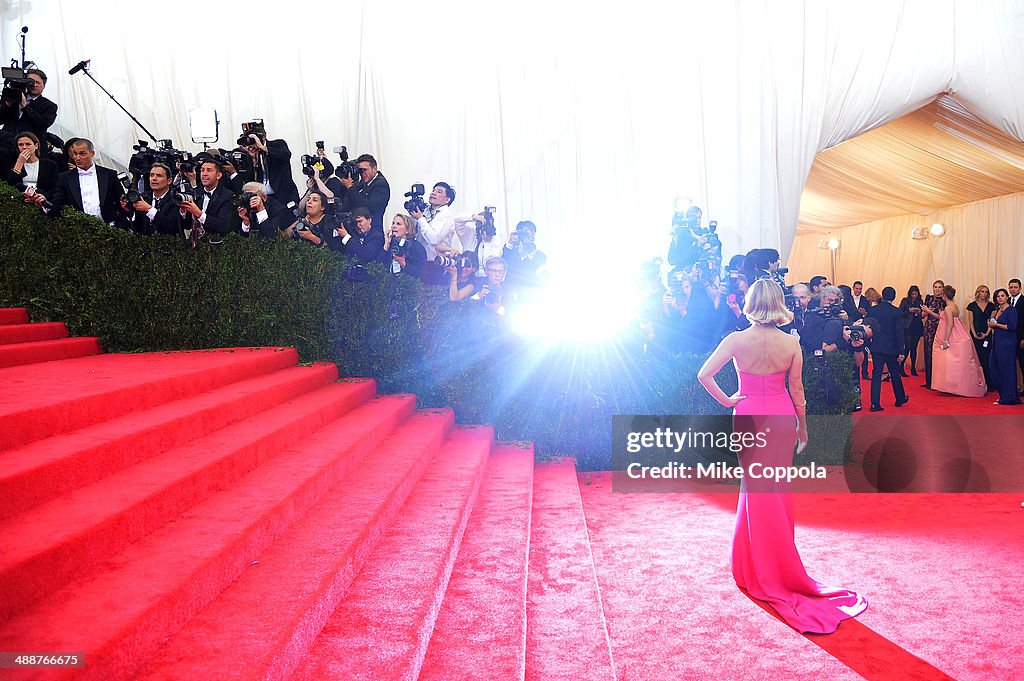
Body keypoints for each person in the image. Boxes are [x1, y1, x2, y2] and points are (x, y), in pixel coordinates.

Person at [697, 278, 866, 634]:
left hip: (746, 415)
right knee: (774, 491)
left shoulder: (736, 340)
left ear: (750, 302)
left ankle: (752, 568)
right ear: (779, 303)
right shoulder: (791, 342)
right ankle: (770, 567)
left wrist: (729, 400)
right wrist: (803, 428)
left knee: (753, 489)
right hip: (781, 417)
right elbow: (797, 389)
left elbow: (704, 374)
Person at [28, 138, 127, 227]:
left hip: (109, 229)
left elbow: (121, 202)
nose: (77, 158)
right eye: (75, 153)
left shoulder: (109, 174)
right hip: (78, 231)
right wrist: (45, 204)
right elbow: (57, 204)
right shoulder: (65, 178)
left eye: (82, 154)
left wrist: (120, 224)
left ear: (92, 153)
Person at [931, 285, 986, 398]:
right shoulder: (954, 306)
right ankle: (954, 386)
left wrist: (945, 340)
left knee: (948, 361)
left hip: (952, 335)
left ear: (944, 296)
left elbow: (950, 324)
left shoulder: (948, 308)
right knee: (956, 362)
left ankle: (952, 386)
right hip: (960, 333)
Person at [863, 287, 909, 411]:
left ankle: (874, 404)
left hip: (877, 346)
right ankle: (900, 398)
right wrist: (901, 350)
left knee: (876, 374)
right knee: (895, 373)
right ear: (894, 297)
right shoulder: (896, 312)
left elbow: (868, 327)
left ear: (882, 295)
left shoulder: (873, 310)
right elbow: (899, 332)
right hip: (892, 348)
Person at [239, 124, 299, 207]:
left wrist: (263, 147)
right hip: (265, 198)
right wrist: (254, 162)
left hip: (283, 195)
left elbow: (285, 156)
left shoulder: (278, 144)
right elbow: (249, 179)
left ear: (264, 136)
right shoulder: (251, 154)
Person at [180, 157, 239, 236]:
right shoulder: (195, 192)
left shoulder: (228, 196)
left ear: (218, 175)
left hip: (216, 243)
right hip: (194, 243)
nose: (204, 174)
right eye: (202, 170)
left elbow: (224, 226)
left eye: (209, 170)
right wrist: (183, 212)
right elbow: (187, 225)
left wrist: (199, 214)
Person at [122, 163, 182, 236]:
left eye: (159, 176)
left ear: (169, 181)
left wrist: (149, 209)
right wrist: (130, 212)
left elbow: (173, 226)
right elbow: (136, 228)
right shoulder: (143, 198)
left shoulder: (176, 199)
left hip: (170, 244)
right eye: (151, 175)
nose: (154, 178)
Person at [0, 69, 58, 141]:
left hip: (30, 146)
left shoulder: (50, 106)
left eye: (38, 82)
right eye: (31, 82)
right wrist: (7, 106)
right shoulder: (13, 98)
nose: (34, 85)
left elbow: (43, 124)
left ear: (43, 85)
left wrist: (25, 107)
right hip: (7, 144)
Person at [987, 288, 1021, 405]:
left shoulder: (1011, 310)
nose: (1000, 298)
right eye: (998, 296)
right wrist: (992, 325)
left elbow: (1012, 327)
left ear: (1007, 297)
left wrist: (996, 324)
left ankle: (1009, 398)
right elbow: (995, 325)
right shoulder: (997, 310)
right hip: (997, 342)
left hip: (1007, 343)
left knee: (1007, 370)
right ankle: (1005, 395)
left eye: (1002, 296)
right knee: (994, 368)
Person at [5, 131, 58, 196]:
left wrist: (42, 196)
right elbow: (10, 184)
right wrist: (19, 163)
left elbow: (55, 188)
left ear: (36, 146)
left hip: (42, 199)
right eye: (20, 145)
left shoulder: (50, 164)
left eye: (28, 144)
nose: (24, 147)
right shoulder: (13, 163)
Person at [966, 285, 997, 392]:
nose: (984, 293)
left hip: (987, 335)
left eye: (986, 292)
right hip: (975, 335)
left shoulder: (992, 306)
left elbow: (992, 321)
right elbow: (970, 322)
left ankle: (989, 383)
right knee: (976, 359)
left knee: (987, 359)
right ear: (978, 292)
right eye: (982, 291)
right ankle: (977, 383)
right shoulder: (971, 306)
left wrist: (987, 334)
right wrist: (974, 335)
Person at [379, 214, 427, 278]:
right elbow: (378, 265)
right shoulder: (390, 243)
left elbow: (421, 272)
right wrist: (386, 245)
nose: (394, 226)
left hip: (408, 284)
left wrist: (403, 263)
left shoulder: (416, 246)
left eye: (398, 224)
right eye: (393, 223)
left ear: (407, 230)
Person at [354, 154, 390, 235]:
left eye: (365, 170)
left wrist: (350, 189)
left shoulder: (381, 184)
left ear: (375, 169)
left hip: (373, 232)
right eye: (360, 170)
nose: (362, 173)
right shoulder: (363, 182)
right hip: (360, 229)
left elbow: (371, 207)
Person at [921, 280, 946, 389]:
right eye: (935, 287)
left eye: (939, 287)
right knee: (928, 353)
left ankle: (939, 382)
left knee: (939, 355)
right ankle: (929, 381)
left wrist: (929, 311)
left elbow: (943, 317)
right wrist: (927, 311)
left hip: (941, 328)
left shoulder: (945, 300)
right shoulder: (929, 298)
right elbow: (922, 315)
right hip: (929, 328)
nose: (937, 289)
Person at [898, 286, 924, 377]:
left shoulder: (920, 301)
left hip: (917, 325)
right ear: (910, 293)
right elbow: (900, 313)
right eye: (913, 294)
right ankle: (901, 366)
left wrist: (920, 312)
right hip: (907, 326)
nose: (914, 296)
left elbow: (922, 315)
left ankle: (913, 367)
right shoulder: (905, 301)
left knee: (914, 347)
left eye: (916, 294)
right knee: (907, 347)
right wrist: (909, 311)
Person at [1009, 278, 1024, 395]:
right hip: (1008, 338)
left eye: (1015, 287)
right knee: (1010, 363)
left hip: (1021, 338)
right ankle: (1013, 387)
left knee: (1023, 363)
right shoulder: (1007, 300)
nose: (1013, 289)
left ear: (1020, 288)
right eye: (1011, 287)